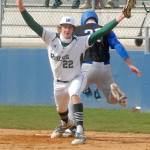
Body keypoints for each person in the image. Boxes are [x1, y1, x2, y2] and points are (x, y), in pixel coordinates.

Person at [16, 0, 136, 145]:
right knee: (61, 111)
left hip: (75, 78)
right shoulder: (50, 37)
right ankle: (66, 124)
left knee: (75, 95)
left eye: (70, 27)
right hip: (59, 83)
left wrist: (122, 15)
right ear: (60, 28)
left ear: (74, 29)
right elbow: (33, 24)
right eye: (64, 27)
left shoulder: (80, 41)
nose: (67, 29)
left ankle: (79, 131)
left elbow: (103, 31)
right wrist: (22, 9)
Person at [63, 9, 142, 137]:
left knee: (72, 94)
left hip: (86, 67)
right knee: (110, 100)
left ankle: (71, 127)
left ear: (83, 19)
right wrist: (130, 64)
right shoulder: (105, 29)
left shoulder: (77, 30)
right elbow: (117, 45)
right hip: (105, 68)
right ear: (96, 19)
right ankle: (116, 96)